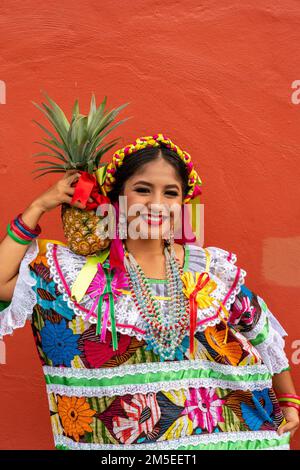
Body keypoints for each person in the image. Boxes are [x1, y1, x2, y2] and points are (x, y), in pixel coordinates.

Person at [0, 133, 299, 450]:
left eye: (170, 193)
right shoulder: (74, 277)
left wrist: (289, 399)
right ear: (117, 200)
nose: (157, 204)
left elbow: (259, 329)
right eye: (142, 190)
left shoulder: (209, 271)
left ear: (182, 204)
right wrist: (39, 205)